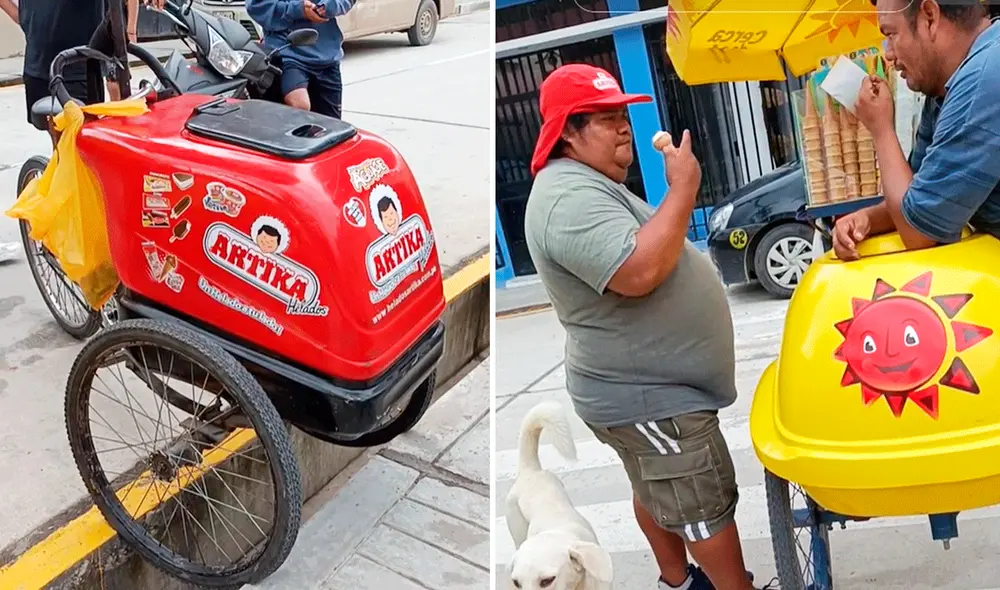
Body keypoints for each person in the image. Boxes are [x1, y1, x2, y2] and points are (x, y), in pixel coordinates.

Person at [523, 63, 758, 590]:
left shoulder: (587, 183)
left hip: (645, 393)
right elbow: (639, 271)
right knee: (701, 506)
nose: (623, 127)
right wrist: (684, 189)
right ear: (568, 132)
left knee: (656, 487)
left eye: (622, 115)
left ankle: (679, 582)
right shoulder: (566, 198)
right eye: (605, 118)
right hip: (649, 397)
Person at [833, 0, 1000, 260]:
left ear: (930, 17)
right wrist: (867, 219)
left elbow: (919, 231)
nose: (888, 54)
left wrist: (881, 129)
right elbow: (917, 195)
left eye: (891, 34)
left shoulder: (984, 78)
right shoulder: (944, 89)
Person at [247, 0, 354, 119]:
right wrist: (298, 10)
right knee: (299, 106)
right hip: (288, 52)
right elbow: (257, 7)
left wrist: (330, 6)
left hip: (327, 56)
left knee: (332, 123)